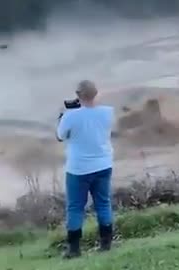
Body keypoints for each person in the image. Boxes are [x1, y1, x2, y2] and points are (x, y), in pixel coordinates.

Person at [56, 80, 115, 259]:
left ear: (78, 96)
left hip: (78, 169)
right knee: (103, 203)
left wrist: (62, 118)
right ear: (96, 94)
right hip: (103, 165)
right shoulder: (108, 113)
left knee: (75, 208)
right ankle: (106, 244)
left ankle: (74, 249)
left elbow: (60, 136)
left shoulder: (70, 116)